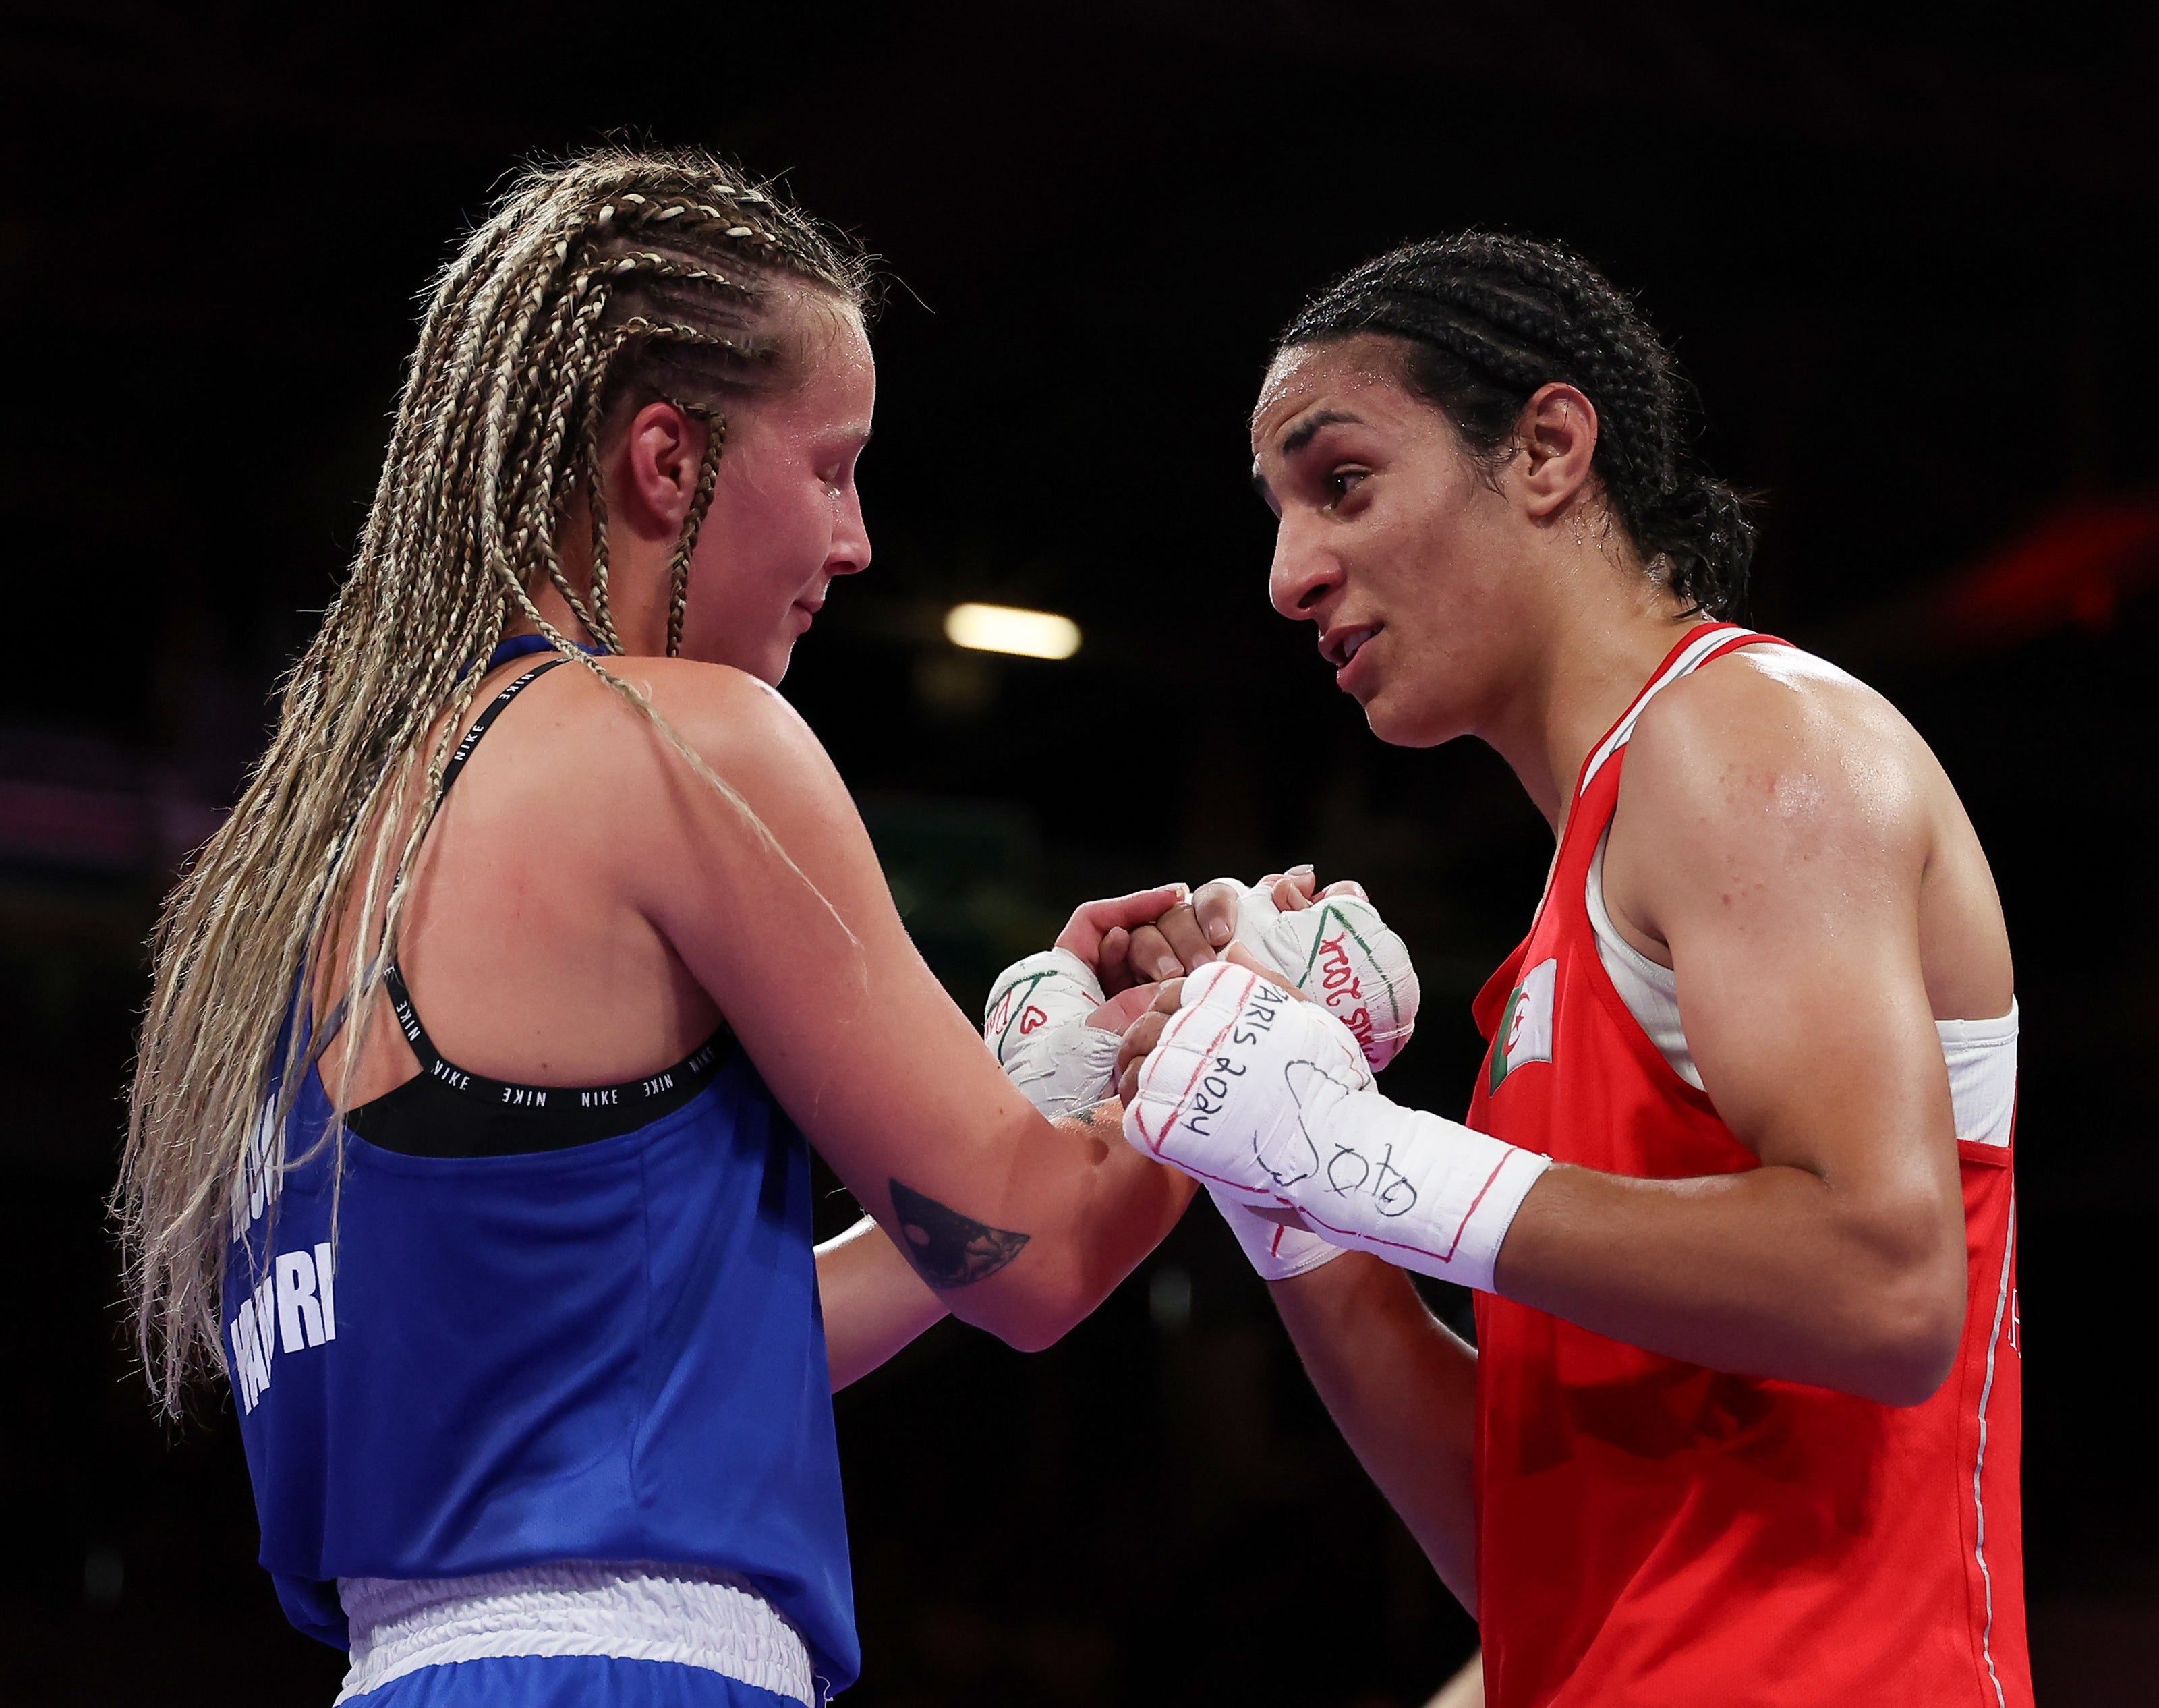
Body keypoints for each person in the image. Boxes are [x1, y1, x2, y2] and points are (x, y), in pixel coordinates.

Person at [113, 148, 1203, 1707]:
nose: (857, 542)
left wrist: (1049, 1095)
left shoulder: (322, 850)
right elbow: (1040, 1265)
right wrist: (1240, 1039)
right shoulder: (685, 736)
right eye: (831, 467)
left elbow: (659, 1349)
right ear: (667, 463)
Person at [1116, 234, 2028, 1707]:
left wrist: (1359, 1150)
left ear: (1544, 450)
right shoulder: (1563, 939)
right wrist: (1275, 1181)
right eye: (1276, 515)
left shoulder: (1752, 738)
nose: (1288, 576)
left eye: (1339, 483)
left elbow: (1885, 1289)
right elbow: (1524, 1560)